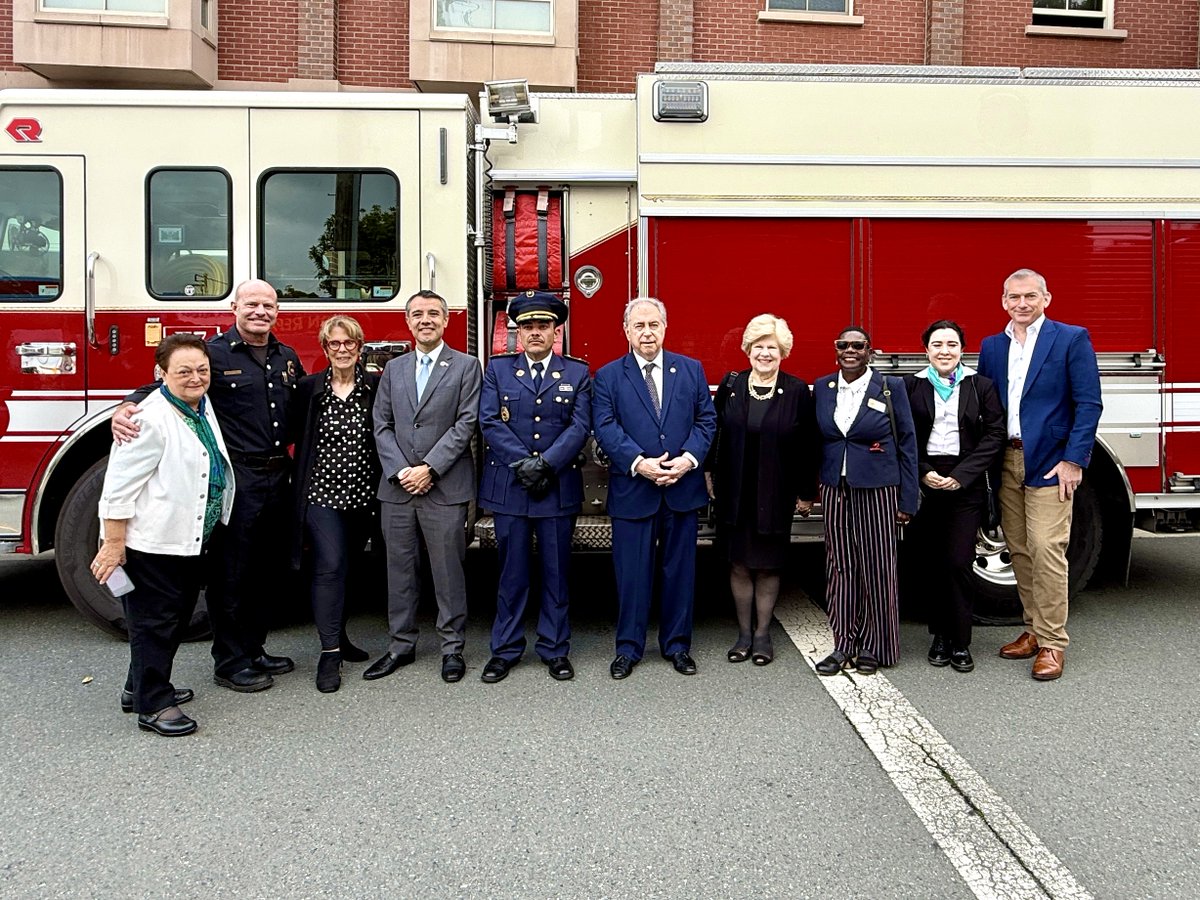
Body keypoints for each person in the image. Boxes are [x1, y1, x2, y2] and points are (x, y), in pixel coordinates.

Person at [112, 279, 304, 693]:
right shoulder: (212, 355)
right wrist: (126, 405)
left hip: (278, 477)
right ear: (234, 306)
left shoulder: (285, 357)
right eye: (251, 303)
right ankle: (231, 662)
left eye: (268, 305)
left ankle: (254, 648)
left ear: (277, 311)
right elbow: (169, 386)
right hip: (238, 478)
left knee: (265, 572)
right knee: (230, 575)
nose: (260, 311)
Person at [93, 334, 235, 736]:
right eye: (184, 371)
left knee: (171, 618)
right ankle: (154, 706)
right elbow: (118, 487)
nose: (195, 378)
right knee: (155, 622)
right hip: (154, 543)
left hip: (188, 539)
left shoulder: (198, 406)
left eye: (202, 370)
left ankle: (137, 687)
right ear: (161, 374)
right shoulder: (147, 419)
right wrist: (114, 543)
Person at [977, 268, 1102, 681]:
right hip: (1007, 460)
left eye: (1030, 296)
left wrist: (1074, 460)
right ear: (1003, 302)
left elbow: (1088, 403)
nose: (1022, 304)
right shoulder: (992, 347)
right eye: (1014, 297)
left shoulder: (1070, 339)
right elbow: (987, 404)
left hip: (1050, 460)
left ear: (1046, 298)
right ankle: (1031, 630)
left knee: (1048, 547)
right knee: (1021, 550)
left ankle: (1052, 643)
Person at [593, 297, 717, 679]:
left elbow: (706, 421)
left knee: (680, 573)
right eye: (639, 326)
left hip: (682, 488)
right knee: (632, 575)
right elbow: (605, 426)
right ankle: (628, 649)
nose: (647, 333)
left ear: (665, 327)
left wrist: (688, 460)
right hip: (634, 489)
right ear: (626, 332)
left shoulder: (691, 370)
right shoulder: (609, 376)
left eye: (654, 325)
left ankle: (678, 646)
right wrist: (639, 463)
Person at [477, 291, 592, 683]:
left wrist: (546, 464)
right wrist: (523, 463)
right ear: (517, 332)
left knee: (556, 573)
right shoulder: (498, 369)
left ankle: (555, 649)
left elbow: (579, 427)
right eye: (527, 326)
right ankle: (505, 650)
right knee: (512, 574)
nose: (535, 333)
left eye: (543, 325)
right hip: (512, 485)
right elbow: (489, 421)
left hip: (557, 487)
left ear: (556, 330)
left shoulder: (577, 373)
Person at [368, 289, 482, 684]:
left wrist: (429, 468)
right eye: (417, 314)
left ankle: (452, 648)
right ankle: (401, 645)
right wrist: (401, 471)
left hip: (444, 487)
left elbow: (466, 424)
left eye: (433, 313)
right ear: (408, 321)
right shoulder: (393, 369)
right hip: (397, 489)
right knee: (398, 571)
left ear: (447, 320)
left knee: (448, 572)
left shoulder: (467, 366)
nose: (425, 320)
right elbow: (380, 424)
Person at [706, 314, 819, 666]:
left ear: (782, 351)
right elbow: (715, 431)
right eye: (758, 347)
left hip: (776, 491)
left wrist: (805, 493)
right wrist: (708, 472)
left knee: (768, 566)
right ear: (748, 350)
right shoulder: (732, 384)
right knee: (739, 564)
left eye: (771, 347)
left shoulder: (798, 390)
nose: (765, 353)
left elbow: (808, 445)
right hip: (734, 491)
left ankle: (762, 634)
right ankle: (742, 633)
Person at [813, 327, 919, 676]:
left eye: (858, 345)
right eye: (842, 344)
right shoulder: (825, 387)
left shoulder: (891, 388)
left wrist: (907, 498)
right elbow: (818, 440)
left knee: (877, 565)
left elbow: (907, 443)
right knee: (840, 566)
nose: (850, 350)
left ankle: (876, 645)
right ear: (836, 349)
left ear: (869, 351)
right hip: (835, 488)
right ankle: (844, 643)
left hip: (878, 488)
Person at [902, 320, 1006, 673]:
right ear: (926, 350)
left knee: (958, 562)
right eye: (937, 344)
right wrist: (923, 471)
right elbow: (903, 436)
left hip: (966, 485)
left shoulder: (981, 386)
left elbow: (994, 434)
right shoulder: (910, 386)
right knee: (930, 563)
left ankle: (961, 641)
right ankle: (940, 637)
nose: (944, 351)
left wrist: (961, 476)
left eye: (951, 344)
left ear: (962, 349)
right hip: (926, 483)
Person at [289, 315, 380, 693]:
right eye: (334, 344)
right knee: (330, 565)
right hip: (321, 494)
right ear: (325, 349)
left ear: (360, 348)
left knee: (352, 565)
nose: (342, 350)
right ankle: (329, 654)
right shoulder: (308, 389)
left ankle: (341, 636)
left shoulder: (375, 387)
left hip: (363, 495)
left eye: (349, 344)